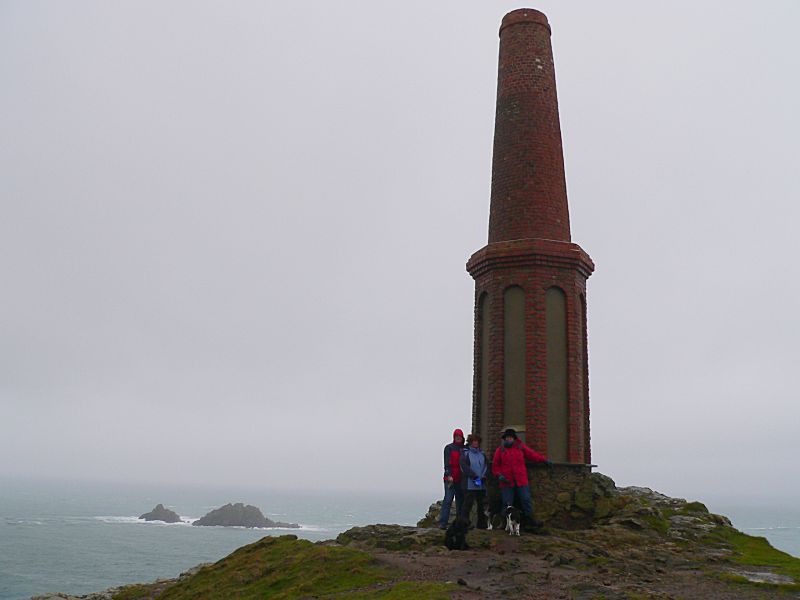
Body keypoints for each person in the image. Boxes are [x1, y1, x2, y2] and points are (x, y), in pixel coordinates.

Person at [492, 428, 551, 528]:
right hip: (506, 481)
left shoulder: (520, 447)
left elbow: (532, 455)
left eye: (510, 437)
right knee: (507, 503)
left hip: (521, 480)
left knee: (526, 499)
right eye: (507, 438)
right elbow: (495, 466)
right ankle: (505, 523)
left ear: (514, 439)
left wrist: (543, 460)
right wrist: (499, 475)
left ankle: (530, 521)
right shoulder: (500, 450)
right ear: (504, 439)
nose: (509, 439)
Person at [459, 433, 488, 529]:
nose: (475, 443)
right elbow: (464, 467)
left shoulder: (482, 454)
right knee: (467, 504)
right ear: (470, 442)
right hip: (469, 484)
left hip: (481, 484)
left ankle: (481, 524)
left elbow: (486, 466)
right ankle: (464, 523)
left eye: (477, 441)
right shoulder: (465, 453)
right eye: (473, 441)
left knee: (481, 505)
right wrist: (474, 477)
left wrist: (484, 476)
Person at [438, 428, 465, 529]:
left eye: (460, 437)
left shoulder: (464, 449)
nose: (458, 438)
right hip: (451, 479)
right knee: (448, 500)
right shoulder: (449, 448)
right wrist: (449, 474)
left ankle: (459, 523)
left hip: (460, 479)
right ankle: (443, 523)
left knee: (460, 502)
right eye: (457, 437)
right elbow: (447, 462)